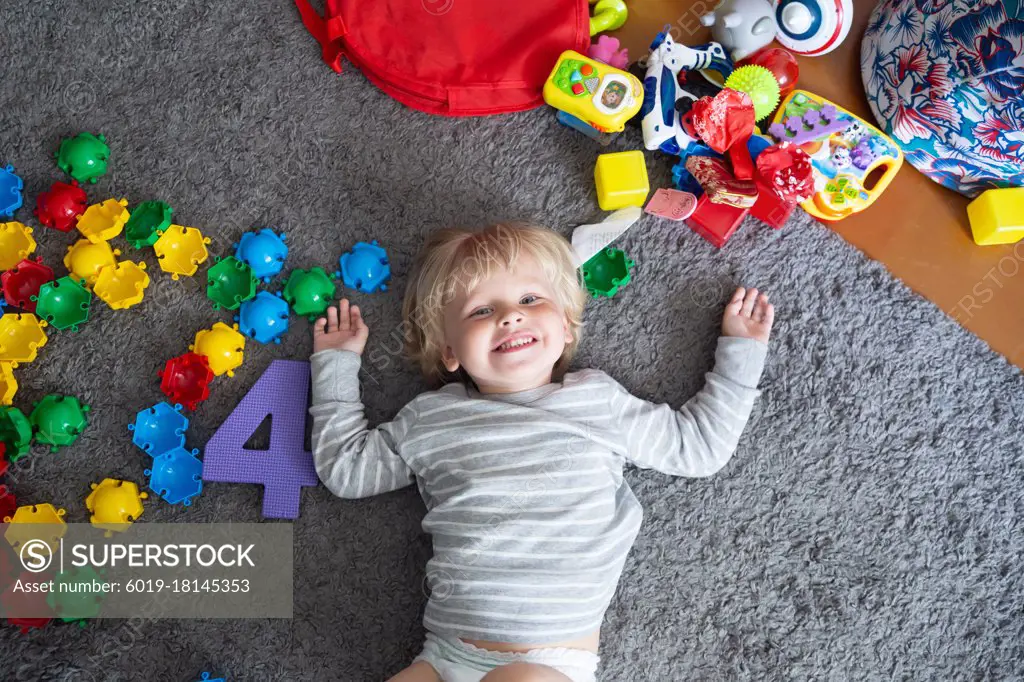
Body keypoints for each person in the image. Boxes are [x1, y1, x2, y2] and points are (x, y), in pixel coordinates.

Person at [309, 223, 774, 681]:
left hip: (551, 662)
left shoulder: (596, 402)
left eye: (530, 300)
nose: (510, 316)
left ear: (567, 329)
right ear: (449, 352)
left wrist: (741, 352)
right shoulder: (431, 418)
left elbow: (698, 448)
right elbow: (348, 470)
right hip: (445, 655)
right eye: (481, 310)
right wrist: (336, 364)